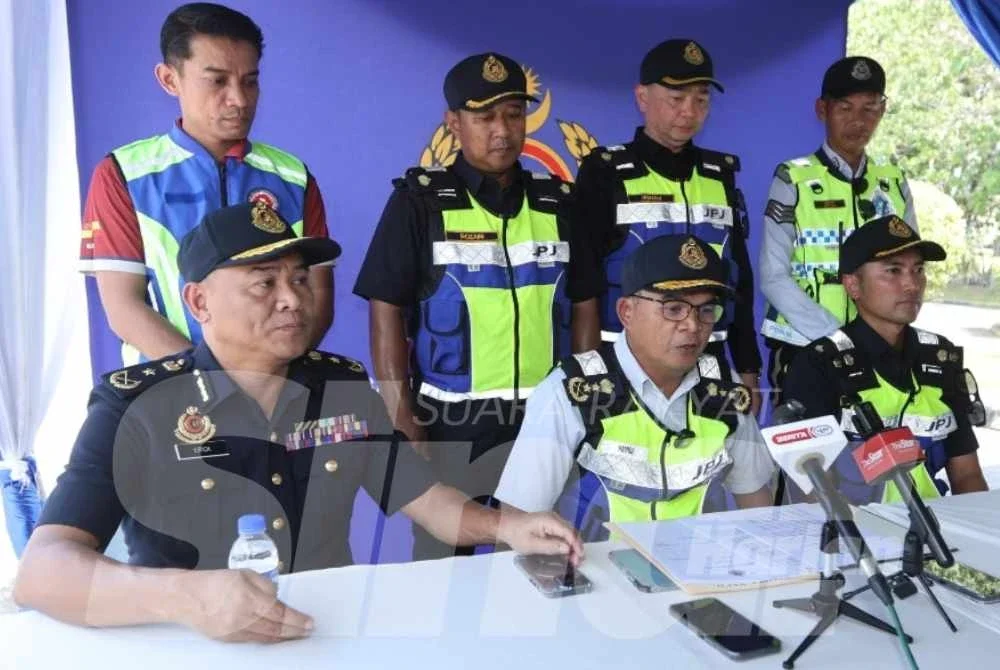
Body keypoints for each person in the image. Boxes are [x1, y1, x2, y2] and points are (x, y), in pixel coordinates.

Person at [15, 203, 583, 643]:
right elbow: (44, 572)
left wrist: (506, 527)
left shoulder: (341, 386)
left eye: (300, 279)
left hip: (325, 636)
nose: (292, 299)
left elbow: (425, 498)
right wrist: (185, 598)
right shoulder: (135, 406)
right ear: (199, 301)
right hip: (191, 646)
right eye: (265, 282)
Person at [353, 52, 602, 560]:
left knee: (540, 557)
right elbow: (387, 310)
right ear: (453, 122)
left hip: (544, 420)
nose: (502, 131)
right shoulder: (419, 202)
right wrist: (402, 415)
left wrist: (586, 400)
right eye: (484, 116)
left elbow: (584, 305)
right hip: (448, 424)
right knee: (441, 563)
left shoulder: (559, 203)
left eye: (513, 115)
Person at [79, 2, 333, 366]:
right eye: (217, 81)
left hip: (277, 391)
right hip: (168, 394)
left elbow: (318, 295)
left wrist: (265, 379)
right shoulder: (123, 174)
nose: (239, 99)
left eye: (250, 81)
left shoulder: (293, 177)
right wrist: (211, 382)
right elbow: (124, 305)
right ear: (169, 79)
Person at [495, 235, 774, 539]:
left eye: (706, 311)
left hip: (698, 572)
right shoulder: (572, 391)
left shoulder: (723, 389)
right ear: (627, 312)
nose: (693, 325)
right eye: (674, 308)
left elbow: (756, 504)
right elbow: (519, 522)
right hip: (594, 573)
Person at [572, 39, 762, 414]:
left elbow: (739, 280)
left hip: (710, 362)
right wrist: (590, 373)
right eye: (676, 98)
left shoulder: (719, 174)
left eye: (701, 99)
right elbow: (584, 284)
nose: (689, 111)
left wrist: (748, 370)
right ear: (642, 97)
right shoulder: (605, 171)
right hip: (628, 363)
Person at [783, 215, 988, 505]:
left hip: (937, 534)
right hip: (860, 537)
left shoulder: (941, 358)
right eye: (893, 271)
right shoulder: (818, 364)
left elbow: (967, 474)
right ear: (853, 285)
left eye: (918, 270)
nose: (911, 285)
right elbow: (812, 494)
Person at [759, 56, 917, 403]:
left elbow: (910, 268)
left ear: (883, 110)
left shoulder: (892, 180)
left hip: (880, 347)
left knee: (878, 451)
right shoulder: (793, 177)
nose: (858, 121)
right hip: (806, 344)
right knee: (807, 454)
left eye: (870, 108)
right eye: (845, 108)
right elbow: (773, 276)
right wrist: (838, 338)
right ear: (822, 109)